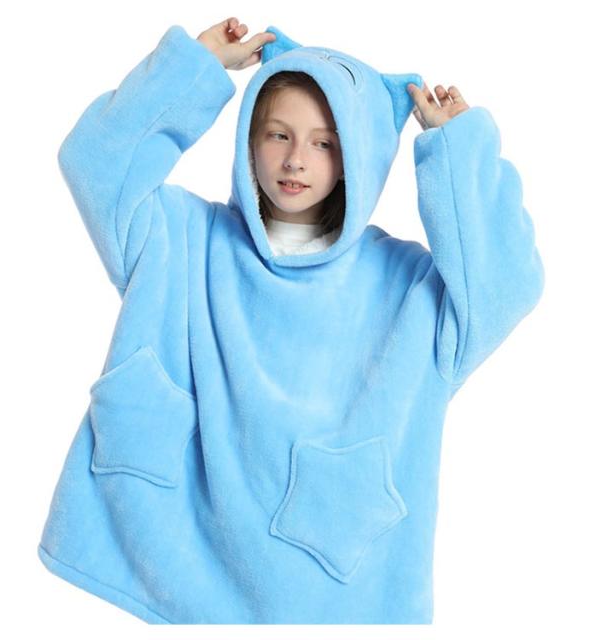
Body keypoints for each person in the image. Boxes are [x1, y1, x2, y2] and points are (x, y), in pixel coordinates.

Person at [37, 17, 545, 624]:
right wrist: (194, 69)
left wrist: (460, 151)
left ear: (356, 155)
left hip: (324, 603)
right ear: (249, 139)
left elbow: (505, 286)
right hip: (159, 572)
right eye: (278, 134)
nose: (296, 159)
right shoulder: (181, 237)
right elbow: (95, 164)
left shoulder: (408, 288)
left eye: (325, 143)